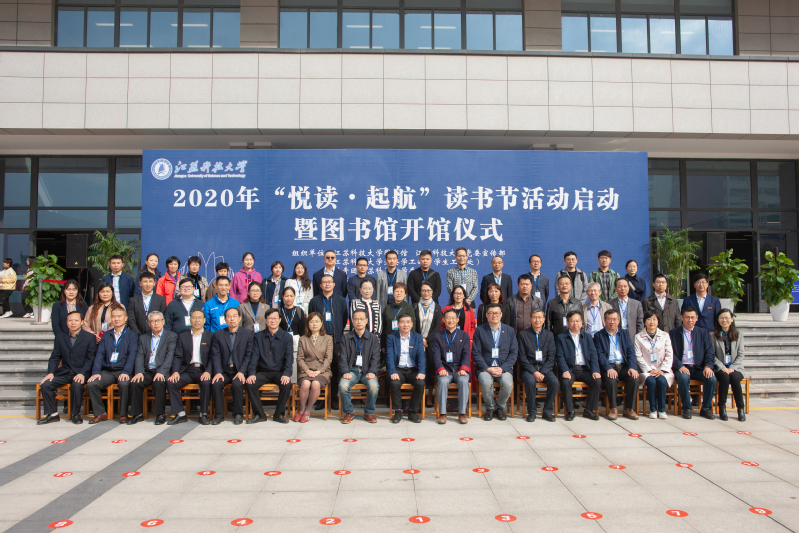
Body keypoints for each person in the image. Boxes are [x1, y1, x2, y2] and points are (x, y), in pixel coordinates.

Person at [37, 311, 96, 424]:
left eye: (76, 320)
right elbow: (55, 357)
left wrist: (82, 373)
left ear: (82, 322)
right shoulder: (60, 337)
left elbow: (91, 358)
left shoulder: (89, 337)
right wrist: (50, 372)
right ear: (66, 322)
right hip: (65, 372)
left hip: (81, 372)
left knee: (77, 385)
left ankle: (75, 414)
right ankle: (52, 414)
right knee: (46, 384)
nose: (73, 323)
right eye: (70, 320)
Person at [86, 304, 138, 423]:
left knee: (124, 384)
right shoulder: (106, 335)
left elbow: (132, 355)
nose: (116, 319)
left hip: (123, 370)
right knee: (92, 384)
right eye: (113, 316)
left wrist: (126, 372)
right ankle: (100, 413)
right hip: (108, 371)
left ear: (125, 318)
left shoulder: (132, 335)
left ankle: (123, 414)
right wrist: (96, 372)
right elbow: (100, 354)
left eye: (119, 316)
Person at [128, 311, 178, 425]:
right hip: (147, 370)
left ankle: (160, 414)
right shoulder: (143, 338)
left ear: (163, 322)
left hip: (162, 370)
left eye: (158, 320)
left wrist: (161, 372)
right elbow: (139, 356)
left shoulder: (171, 336)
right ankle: (137, 414)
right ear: (149, 323)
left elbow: (170, 356)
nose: (156, 323)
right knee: (135, 383)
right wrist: (139, 371)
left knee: (158, 382)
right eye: (153, 321)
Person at [245, 308, 293, 424]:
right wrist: (251, 373)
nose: (273, 321)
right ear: (265, 321)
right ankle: (259, 414)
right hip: (263, 372)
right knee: (250, 383)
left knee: (286, 384)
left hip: (279, 372)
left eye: (275, 318)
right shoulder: (259, 336)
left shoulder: (286, 337)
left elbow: (289, 358)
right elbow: (254, 357)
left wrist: (286, 374)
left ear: (280, 320)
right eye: (270, 318)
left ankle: (279, 414)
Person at [166, 309, 213, 425]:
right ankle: (180, 414)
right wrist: (175, 371)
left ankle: (203, 414)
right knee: (171, 382)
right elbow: (178, 356)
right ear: (190, 320)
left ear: (204, 320)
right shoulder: (183, 336)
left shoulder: (210, 336)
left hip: (202, 370)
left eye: (199, 318)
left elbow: (213, 357)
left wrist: (208, 371)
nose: (197, 320)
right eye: (194, 318)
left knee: (206, 383)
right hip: (187, 370)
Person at [670, 307, 717, 420]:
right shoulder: (674, 333)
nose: (690, 320)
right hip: (683, 367)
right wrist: (679, 366)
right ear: (682, 318)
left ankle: (705, 408)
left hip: (699, 367)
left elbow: (709, 352)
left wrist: (707, 366)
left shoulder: (702, 332)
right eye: (687, 317)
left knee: (712, 379)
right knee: (683, 378)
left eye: (692, 317)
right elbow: (670, 353)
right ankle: (687, 407)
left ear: (696, 318)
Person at [309, 274, 348, 408]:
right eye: (324, 282)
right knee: (320, 369)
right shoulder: (314, 301)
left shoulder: (341, 300)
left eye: (329, 282)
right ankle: (321, 398)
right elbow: (311, 319)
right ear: (320, 285)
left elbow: (344, 318)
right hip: (319, 341)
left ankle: (334, 398)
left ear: (334, 284)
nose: (327, 284)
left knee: (336, 369)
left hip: (336, 340)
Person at [593, 309, 640, 420]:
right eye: (609, 319)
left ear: (619, 320)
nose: (612, 322)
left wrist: (632, 367)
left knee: (634, 378)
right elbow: (599, 354)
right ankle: (613, 408)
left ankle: (629, 408)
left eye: (614, 319)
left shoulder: (624, 333)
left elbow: (630, 351)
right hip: (608, 366)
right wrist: (608, 368)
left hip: (623, 366)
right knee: (611, 379)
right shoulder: (599, 335)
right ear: (604, 320)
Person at [473, 303, 517, 421]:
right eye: (491, 313)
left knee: (507, 383)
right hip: (485, 368)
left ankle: (500, 407)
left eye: (496, 313)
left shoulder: (509, 331)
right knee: (486, 382)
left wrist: (502, 368)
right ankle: (490, 408)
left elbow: (513, 353)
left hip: (504, 368)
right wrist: (487, 368)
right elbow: (476, 353)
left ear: (501, 314)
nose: (494, 315)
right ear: (487, 315)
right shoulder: (480, 330)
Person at [210, 307, 253, 425]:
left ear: (239, 318)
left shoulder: (248, 334)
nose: (232, 319)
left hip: (239, 370)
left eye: (234, 316)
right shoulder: (218, 334)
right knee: (216, 383)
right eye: (229, 316)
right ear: (225, 319)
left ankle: (238, 414)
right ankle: (219, 415)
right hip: (224, 370)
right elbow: (216, 355)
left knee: (237, 384)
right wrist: (218, 372)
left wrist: (242, 372)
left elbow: (248, 355)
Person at [556, 310, 601, 421]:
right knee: (565, 382)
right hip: (570, 369)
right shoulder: (561, 337)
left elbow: (593, 355)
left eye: (577, 321)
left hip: (585, 369)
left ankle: (589, 410)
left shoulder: (587, 337)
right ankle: (570, 411)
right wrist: (564, 370)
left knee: (597, 381)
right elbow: (559, 357)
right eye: (572, 321)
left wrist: (595, 370)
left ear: (581, 323)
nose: (575, 323)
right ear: (567, 322)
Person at [338, 309, 380, 424]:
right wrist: (345, 371)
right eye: (356, 319)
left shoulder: (373, 338)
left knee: (374, 386)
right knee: (343, 386)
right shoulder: (346, 337)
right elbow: (342, 357)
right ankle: (349, 412)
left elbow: (376, 357)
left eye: (361, 319)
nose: (359, 321)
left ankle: (369, 412)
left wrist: (372, 371)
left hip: (367, 370)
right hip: (351, 370)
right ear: (352, 321)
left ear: (366, 320)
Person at [517, 309, 558, 422]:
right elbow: (522, 357)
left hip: (545, 369)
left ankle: (547, 411)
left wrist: (543, 372)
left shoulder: (549, 335)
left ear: (544, 319)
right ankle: (532, 412)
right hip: (529, 369)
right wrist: (534, 372)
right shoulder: (523, 335)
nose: (537, 320)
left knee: (554, 382)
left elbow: (551, 357)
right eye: (534, 317)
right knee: (530, 382)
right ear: (530, 319)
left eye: (539, 317)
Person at [431, 308, 470, 424]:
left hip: (459, 370)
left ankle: (462, 413)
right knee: (443, 382)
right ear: (443, 320)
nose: (451, 320)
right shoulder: (437, 336)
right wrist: (441, 369)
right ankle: (443, 414)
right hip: (445, 370)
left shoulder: (464, 335)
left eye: (453, 318)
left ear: (457, 320)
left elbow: (467, 354)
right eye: (448, 318)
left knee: (463, 381)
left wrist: (464, 368)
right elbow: (436, 356)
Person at [385, 314, 425, 423]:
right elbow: (389, 357)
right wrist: (392, 371)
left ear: (412, 324)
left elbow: (421, 356)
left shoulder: (417, 337)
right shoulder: (391, 338)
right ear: (398, 324)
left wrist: (421, 371)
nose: (405, 324)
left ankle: (412, 412)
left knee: (420, 383)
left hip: (413, 369)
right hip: (398, 369)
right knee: (394, 383)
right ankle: (397, 412)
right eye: (402, 322)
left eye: (408, 322)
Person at [634, 311, 674, 419]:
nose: (652, 322)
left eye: (654, 319)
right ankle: (652, 409)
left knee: (661, 381)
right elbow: (638, 356)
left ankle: (662, 409)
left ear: (658, 322)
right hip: (647, 371)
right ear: (644, 322)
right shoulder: (638, 337)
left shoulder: (665, 335)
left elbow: (669, 354)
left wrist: (662, 370)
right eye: (649, 319)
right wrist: (649, 370)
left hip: (662, 370)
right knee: (651, 382)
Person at [295, 312, 333, 422]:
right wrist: (307, 370)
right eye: (311, 322)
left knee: (316, 384)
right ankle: (301, 409)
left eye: (317, 321)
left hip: (322, 371)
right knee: (305, 383)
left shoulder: (328, 338)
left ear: (321, 323)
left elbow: (328, 358)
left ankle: (308, 410)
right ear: (308, 324)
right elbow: (300, 358)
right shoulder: (303, 339)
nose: (314, 324)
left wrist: (319, 371)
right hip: (306, 370)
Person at [712, 309, 746, 421]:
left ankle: (740, 408)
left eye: (727, 318)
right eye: (721, 318)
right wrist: (722, 367)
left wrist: (732, 368)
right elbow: (712, 355)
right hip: (720, 368)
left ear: (732, 319)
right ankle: (722, 407)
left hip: (736, 368)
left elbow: (741, 354)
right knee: (725, 377)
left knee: (734, 378)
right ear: (718, 320)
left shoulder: (739, 334)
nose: (724, 320)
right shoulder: (712, 335)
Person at [414, 282, 443, 408]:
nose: (426, 293)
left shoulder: (437, 307)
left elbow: (437, 327)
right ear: (420, 292)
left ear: (432, 292)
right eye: (423, 290)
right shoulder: (415, 306)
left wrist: (427, 340)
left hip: (432, 344)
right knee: (418, 369)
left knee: (430, 368)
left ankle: (430, 396)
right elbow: (413, 325)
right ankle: (419, 397)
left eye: (428, 290)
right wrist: (420, 339)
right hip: (417, 342)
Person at [609, 278, 644, 343]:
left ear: (628, 288)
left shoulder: (637, 304)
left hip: (632, 338)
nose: (623, 288)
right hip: (615, 337)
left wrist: (639, 339)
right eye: (620, 287)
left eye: (625, 286)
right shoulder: (609, 304)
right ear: (615, 288)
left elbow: (640, 323)